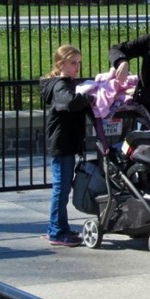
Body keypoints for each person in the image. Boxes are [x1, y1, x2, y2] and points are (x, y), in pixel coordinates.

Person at [40, 45, 90, 247]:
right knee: (61, 189)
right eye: (72, 63)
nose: (77, 67)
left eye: (79, 63)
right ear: (60, 64)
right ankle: (56, 231)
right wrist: (88, 96)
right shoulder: (60, 85)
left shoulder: (65, 83)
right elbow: (70, 103)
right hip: (62, 144)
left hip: (65, 142)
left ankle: (59, 227)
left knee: (62, 188)